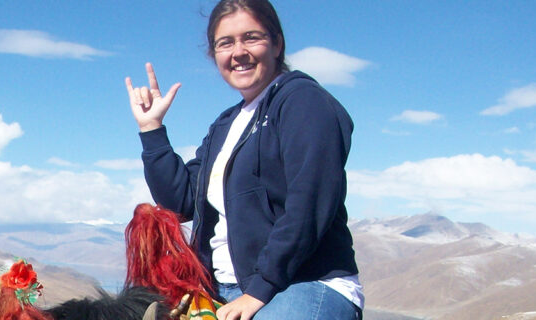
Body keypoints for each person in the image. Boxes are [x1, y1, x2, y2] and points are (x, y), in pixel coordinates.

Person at [124, 0, 363, 319]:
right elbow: (180, 202)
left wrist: (259, 290)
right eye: (226, 43)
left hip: (304, 284)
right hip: (229, 290)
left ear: (277, 43)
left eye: (252, 37)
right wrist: (151, 129)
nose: (238, 52)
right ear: (215, 54)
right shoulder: (226, 125)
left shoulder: (303, 102)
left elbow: (309, 205)